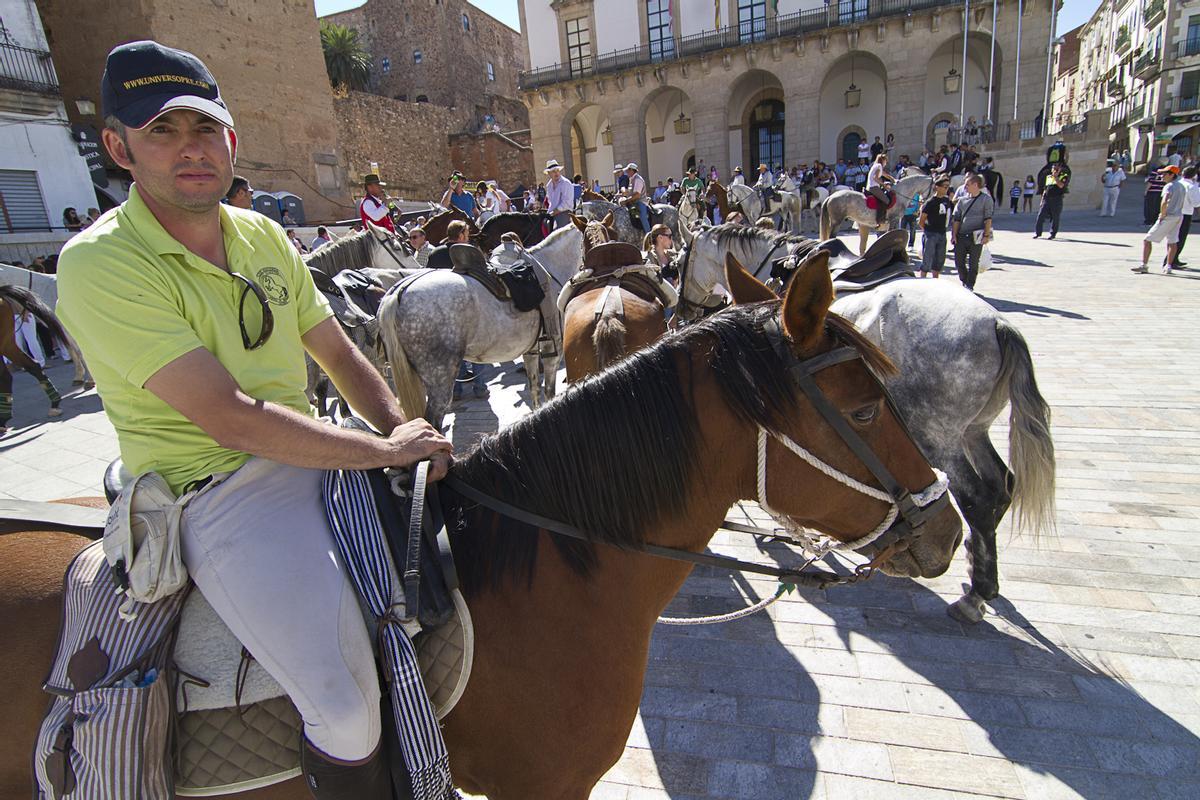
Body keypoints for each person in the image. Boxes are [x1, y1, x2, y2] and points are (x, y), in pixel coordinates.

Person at [55, 40, 452, 798]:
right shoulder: (98, 262)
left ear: (231, 139)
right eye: (161, 131)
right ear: (118, 147)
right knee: (343, 710)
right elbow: (228, 420)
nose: (191, 150)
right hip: (218, 491)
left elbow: (338, 352)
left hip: (314, 459)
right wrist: (379, 453)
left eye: (204, 129)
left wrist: (404, 431)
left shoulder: (264, 236)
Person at [1135, 164, 1186, 274]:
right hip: (1178, 216)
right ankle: (1168, 266)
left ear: (1172, 175)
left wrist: (1162, 214)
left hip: (1168, 216)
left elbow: (1164, 201)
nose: (1162, 176)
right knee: (1173, 241)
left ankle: (1144, 265)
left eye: (1164, 174)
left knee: (1147, 239)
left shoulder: (1169, 186)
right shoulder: (1181, 186)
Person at [950, 174, 993, 292]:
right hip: (962, 235)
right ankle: (964, 280)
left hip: (976, 236)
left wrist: (986, 235)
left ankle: (970, 285)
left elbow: (988, 218)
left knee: (973, 263)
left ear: (975, 185)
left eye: (967, 184)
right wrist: (954, 235)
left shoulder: (986, 199)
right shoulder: (962, 201)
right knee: (959, 261)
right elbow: (956, 219)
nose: (965, 187)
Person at [919, 176, 952, 279]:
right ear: (937, 187)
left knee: (939, 259)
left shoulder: (947, 201)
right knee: (927, 259)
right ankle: (922, 279)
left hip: (942, 233)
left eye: (948, 187)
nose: (946, 189)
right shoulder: (930, 202)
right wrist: (927, 231)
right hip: (931, 233)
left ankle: (935, 280)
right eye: (944, 186)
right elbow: (922, 220)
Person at [1170, 165, 1200, 269]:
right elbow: (1196, 203)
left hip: (1173, 212)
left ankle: (1173, 259)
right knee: (1181, 237)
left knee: (1173, 237)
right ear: (1194, 176)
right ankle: (1172, 260)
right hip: (1185, 214)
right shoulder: (1192, 187)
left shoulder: (1177, 183)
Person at [1033, 164, 1068, 239]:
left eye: (1056, 169)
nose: (1054, 170)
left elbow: (1061, 185)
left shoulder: (1063, 176)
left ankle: (1053, 233)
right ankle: (1038, 233)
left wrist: (1056, 177)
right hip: (1047, 199)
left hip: (1057, 199)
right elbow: (1045, 189)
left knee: (1055, 217)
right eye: (1053, 168)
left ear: (1059, 169)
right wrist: (1042, 200)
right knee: (1040, 216)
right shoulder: (1049, 177)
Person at [865, 154, 895, 226]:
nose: (886, 162)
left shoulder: (876, 166)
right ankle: (880, 219)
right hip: (873, 187)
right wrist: (884, 185)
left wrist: (893, 180)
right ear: (883, 160)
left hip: (872, 186)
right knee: (886, 200)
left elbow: (886, 175)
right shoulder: (879, 166)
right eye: (885, 161)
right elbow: (876, 178)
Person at [620, 163, 651, 231]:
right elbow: (631, 192)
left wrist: (626, 201)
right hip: (634, 201)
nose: (626, 172)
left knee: (643, 217)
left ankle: (649, 235)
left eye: (627, 171)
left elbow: (637, 195)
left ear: (631, 170)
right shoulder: (632, 179)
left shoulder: (638, 179)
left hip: (640, 202)